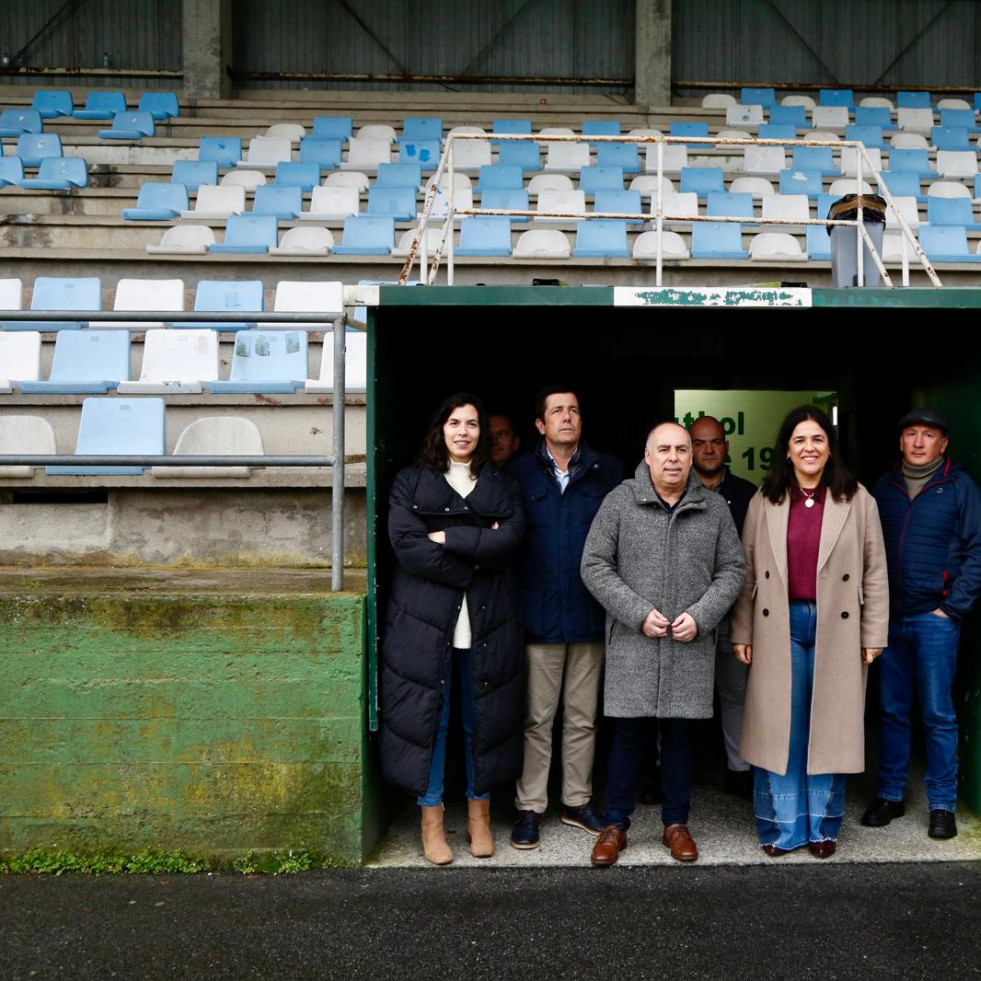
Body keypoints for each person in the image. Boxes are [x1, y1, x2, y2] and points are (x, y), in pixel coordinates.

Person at [581, 422, 745, 865]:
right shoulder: (620, 501)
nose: (673, 458)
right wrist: (636, 613)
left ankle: (676, 824)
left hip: (688, 642)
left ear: (693, 457)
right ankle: (616, 825)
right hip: (635, 642)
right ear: (648, 455)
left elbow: (733, 570)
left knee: (678, 737)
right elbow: (594, 564)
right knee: (628, 736)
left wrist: (703, 616)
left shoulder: (713, 508)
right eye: (664, 450)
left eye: (681, 450)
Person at [730, 406, 889, 858]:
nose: (809, 448)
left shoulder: (858, 500)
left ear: (830, 447)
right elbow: (745, 572)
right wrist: (742, 630)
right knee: (782, 727)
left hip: (838, 627)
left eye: (817, 439)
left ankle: (821, 829)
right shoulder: (766, 500)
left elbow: (875, 571)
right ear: (786, 449)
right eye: (800, 440)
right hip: (778, 624)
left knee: (828, 729)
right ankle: (782, 830)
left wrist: (873, 633)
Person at [379, 392, 526, 866]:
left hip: (485, 624)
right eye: (455, 422)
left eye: (473, 424)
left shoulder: (500, 483)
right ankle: (431, 817)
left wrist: (450, 537)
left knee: (480, 720)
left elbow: (513, 539)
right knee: (432, 723)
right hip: (426, 626)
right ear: (440, 429)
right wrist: (479, 556)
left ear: (482, 433)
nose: (464, 431)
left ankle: (479, 816)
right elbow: (407, 546)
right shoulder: (410, 481)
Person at [508, 386, 623, 849]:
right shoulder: (517, 473)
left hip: (591, 613)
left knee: (582, 718)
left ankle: (576, 801)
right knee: (537, 719)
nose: (567, 417)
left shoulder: (608, 471)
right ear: (540, 424)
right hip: (538, 616)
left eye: (574, 409)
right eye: (557, 411)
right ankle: (531, 807)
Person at [862, 408, 981, 840]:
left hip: (936, 619)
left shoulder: (959, 487)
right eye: (910, 433)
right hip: (889, 619)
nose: (917, 442)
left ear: (942, 444)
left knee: (937, 714)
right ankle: (891, 795)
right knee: (891, 712)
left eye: (927, 435)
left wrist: (952, 608)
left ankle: (943, 805)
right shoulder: (884, 486)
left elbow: (977, 550)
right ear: (900, 441)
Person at [689, 414, 758, 799]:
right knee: (678, 698)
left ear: (726, 446)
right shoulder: (677, 490)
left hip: (736, 614)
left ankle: (739, 769)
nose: (709, 449)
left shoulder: (751, 495)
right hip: (687, 618)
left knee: (737, 694)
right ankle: (669, 772)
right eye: (700, 443)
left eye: (716, 441)